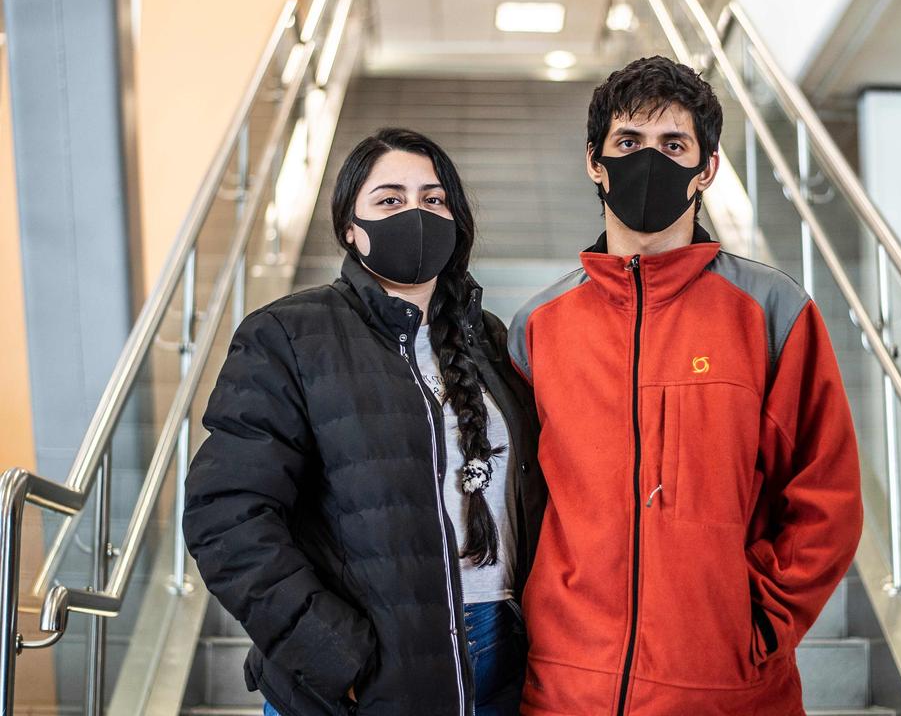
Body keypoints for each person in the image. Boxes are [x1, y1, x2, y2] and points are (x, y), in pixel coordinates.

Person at [508, 55, 863, 715]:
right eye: (628, 143)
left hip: (726, 690)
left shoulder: (772, 311)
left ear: (708, 169)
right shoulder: (537, 328)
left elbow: (827, 497)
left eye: (674, 145)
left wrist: (758, 626)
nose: (650, 160)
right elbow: (521, 505)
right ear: (594, 160)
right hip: (567, 689)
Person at [183, 127, 546, 716]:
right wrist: (333, 654)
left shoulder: (490, 341)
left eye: (433, 199)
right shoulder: (289, 335)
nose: (416, 213)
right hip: (364, 673)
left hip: (501, 657)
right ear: (351, 230)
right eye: (389, 199)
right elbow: (224, 515)